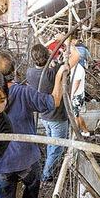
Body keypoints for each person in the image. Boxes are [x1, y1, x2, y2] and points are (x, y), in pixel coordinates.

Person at [0, 51, 66, 198]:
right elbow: (54, 102)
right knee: (32, 183)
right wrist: (59, 76)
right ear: (15, 71)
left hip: (1, 160)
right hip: (26, 157)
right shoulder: (23, 92)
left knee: (4, 193)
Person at [31, 44, 70, 185]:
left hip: (45, 116)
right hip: (57, 116)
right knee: (57, 147)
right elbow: (72, 60)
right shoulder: (53, 72)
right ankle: (47, 176)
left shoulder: (30, 73)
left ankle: (49, 167)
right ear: (47, 56)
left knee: (51, 144)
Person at [69, 41, 92, 137]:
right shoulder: (73, 67)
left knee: (75, 116)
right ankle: (85, 131)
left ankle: (76, 135)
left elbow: (76, 82)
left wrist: (71, 95)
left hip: (77, 95)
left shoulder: (78, 68)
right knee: (77, 115)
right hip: (76, 93)